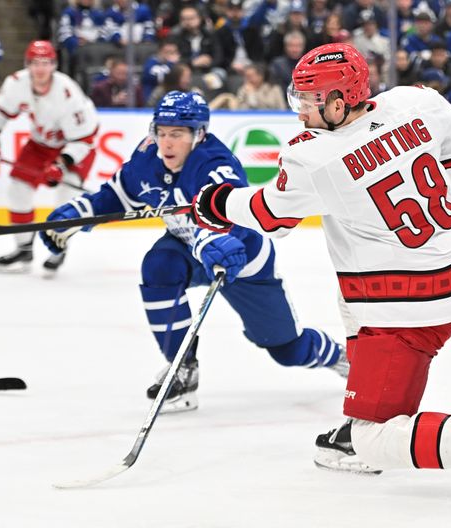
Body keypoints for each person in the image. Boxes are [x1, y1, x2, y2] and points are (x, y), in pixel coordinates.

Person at [190, 43, 451, 510]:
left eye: (309, 102)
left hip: (411, 304)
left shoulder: (313, 157)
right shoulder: (415, 100)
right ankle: (367, 403)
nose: (301, 111)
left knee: (373, 440)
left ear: (337, 102)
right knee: (350, 285)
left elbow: (271, 218)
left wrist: (215, 201)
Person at [39, 91, 348, 413]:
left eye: (177, 134)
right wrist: (76, 214)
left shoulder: (215, 163)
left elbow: (233, 216)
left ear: (198, 134)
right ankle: (182, 369)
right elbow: (115, 196)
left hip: (241, 258)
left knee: (287, 349)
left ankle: (338, 356)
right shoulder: (147, 157)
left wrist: (211, 238)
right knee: (158, 266)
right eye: (161, 133)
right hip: (187, 249)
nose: (167, 143)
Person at [0, 40, 99, 276]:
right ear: (28, 65)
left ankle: (58, 248)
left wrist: (61, 164)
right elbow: (1, 112)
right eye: (35, 63)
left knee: (66, 199)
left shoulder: (67, 93)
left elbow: (84, 140)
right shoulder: (16, 83)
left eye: (46, 63)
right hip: (41, 143)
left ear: (54, 65)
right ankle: (23, 248)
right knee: (18, 189)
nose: (40, 68)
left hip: (76, 145)